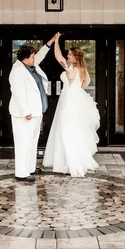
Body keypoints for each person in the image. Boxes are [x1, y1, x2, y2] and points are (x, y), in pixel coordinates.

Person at [43, 32, 100, 177]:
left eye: (69, 54)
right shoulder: (82, 69)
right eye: (68, 54)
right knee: (75, 129)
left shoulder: (71, 67)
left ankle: (67, 162)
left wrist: (56, 41)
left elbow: (58, 57)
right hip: (77, 100)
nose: (67, 56)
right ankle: (74, 159)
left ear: (75, 57)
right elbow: (86, 82)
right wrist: (76, 89)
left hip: (68, 101)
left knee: (66, 129)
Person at [8, 34, 58, 182]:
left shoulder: (31, 66)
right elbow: (18, 93)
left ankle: (29, 167)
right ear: (25, 58)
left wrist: (50, 42)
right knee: (23, 142)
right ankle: (21, 172)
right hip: (25, 114)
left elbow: (40, 55)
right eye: (32, 57)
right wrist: (26, 112)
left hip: (36, 112)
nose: (35, 58)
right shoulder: (18, 71)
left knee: (32, 142)